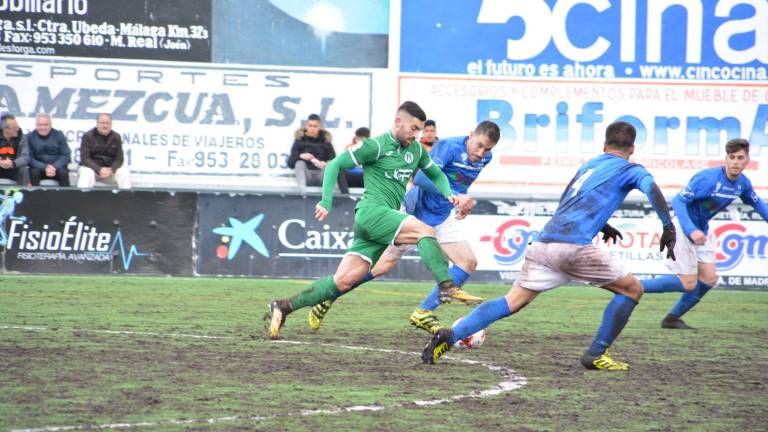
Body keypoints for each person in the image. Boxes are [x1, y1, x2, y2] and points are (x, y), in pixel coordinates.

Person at [422, 121, 678, 371]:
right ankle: (597, 354)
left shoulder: (590, 166)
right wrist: (668, 226)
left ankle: (451, 335)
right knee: (632, 290)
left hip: (544, 243)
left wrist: (602, 224)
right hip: (573, 247)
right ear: (632, 148)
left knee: (511, 302)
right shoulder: (630, 169)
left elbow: (571, 199)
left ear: (604, 145)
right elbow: (651, 188)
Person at [264, 101, 482, 340]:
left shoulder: (417, 151)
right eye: (413, 128)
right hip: (371, 212)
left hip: (381, 222)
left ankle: (283, 307)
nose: (416, 134)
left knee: (343, 281)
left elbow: (436, 174)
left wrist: (449, 194)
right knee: (425, 230)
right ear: (398, 122)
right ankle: (446, 287)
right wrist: (326, 201)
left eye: (420, 130)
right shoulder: (375, 146)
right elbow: (335, 164)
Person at [307, 121, 501, 334]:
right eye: (479, 145)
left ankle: (424, 312)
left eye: (487, 149)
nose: (481, 153)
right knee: (382, 265)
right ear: (471, 134)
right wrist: (455, 195)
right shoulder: (448, 146)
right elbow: (421, 178)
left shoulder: (486, 158)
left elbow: (460, 183)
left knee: (468, 262)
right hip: (415, 210)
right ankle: (328, 297)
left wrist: (461, 203)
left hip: (442, 215)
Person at [641, 138, 768, 329]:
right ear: (726, 158)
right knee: (688, 282)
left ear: (747, 160)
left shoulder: (742, 184)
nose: (735, 162)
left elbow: (757, 204)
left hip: (701, 230)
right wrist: (691, 230)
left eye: (740, 158)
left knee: (709, 279)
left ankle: (672, 319)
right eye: (732, 157)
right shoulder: (708, 179)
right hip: (683, 228)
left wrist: (697, 231)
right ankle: (633, 286)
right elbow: (678, 201)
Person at [287, 113, 349, 194]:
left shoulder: (326, 141)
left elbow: (334, 161)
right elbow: (290, 164)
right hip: (307, 176)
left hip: (322, 176)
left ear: (319, 126)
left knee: (331, 165)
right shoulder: (299, 140)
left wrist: (325, 164)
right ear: (306, 126)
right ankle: (303, 194)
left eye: (315, 126)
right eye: (310, 126)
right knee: (299, 163)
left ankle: (328, 197)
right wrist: (300, 156)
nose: (312, 128)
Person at [77, 113, 131, 189]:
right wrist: (99, 170)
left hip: (109, 171)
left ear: (111, 124)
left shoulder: (116, 137)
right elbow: (85, 159)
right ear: (97, 124)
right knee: (86, 173)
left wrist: (112, 169)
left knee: (124, 173)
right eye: (102, 123)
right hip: (92, 169)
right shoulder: (87, 136)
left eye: (107, 123)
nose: (105, 126)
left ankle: (126, 196)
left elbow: (119, 159)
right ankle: (82, 196)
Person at [25, 113, 71, 186]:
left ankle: (66, 194)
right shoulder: (29, 137)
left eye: (45, 125)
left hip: (57, 168)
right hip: (38, 168)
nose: (42, 127)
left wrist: (54, 167)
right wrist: (44, 167)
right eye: (40, 125)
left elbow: (66, 156)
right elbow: (29, 158)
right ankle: (34, 194)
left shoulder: (59, 135)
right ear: (36, 125)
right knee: (34, 172)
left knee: (63, 173)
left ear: (50, 125)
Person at [0, 116, 29, 185]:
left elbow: (25, 157)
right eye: (14, 127)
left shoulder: (22, 137)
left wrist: (12, 164)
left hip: (14, 167)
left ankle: (24, 191)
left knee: (23, 170)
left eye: (17, 126)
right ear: (6, 129)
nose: (17, 129)